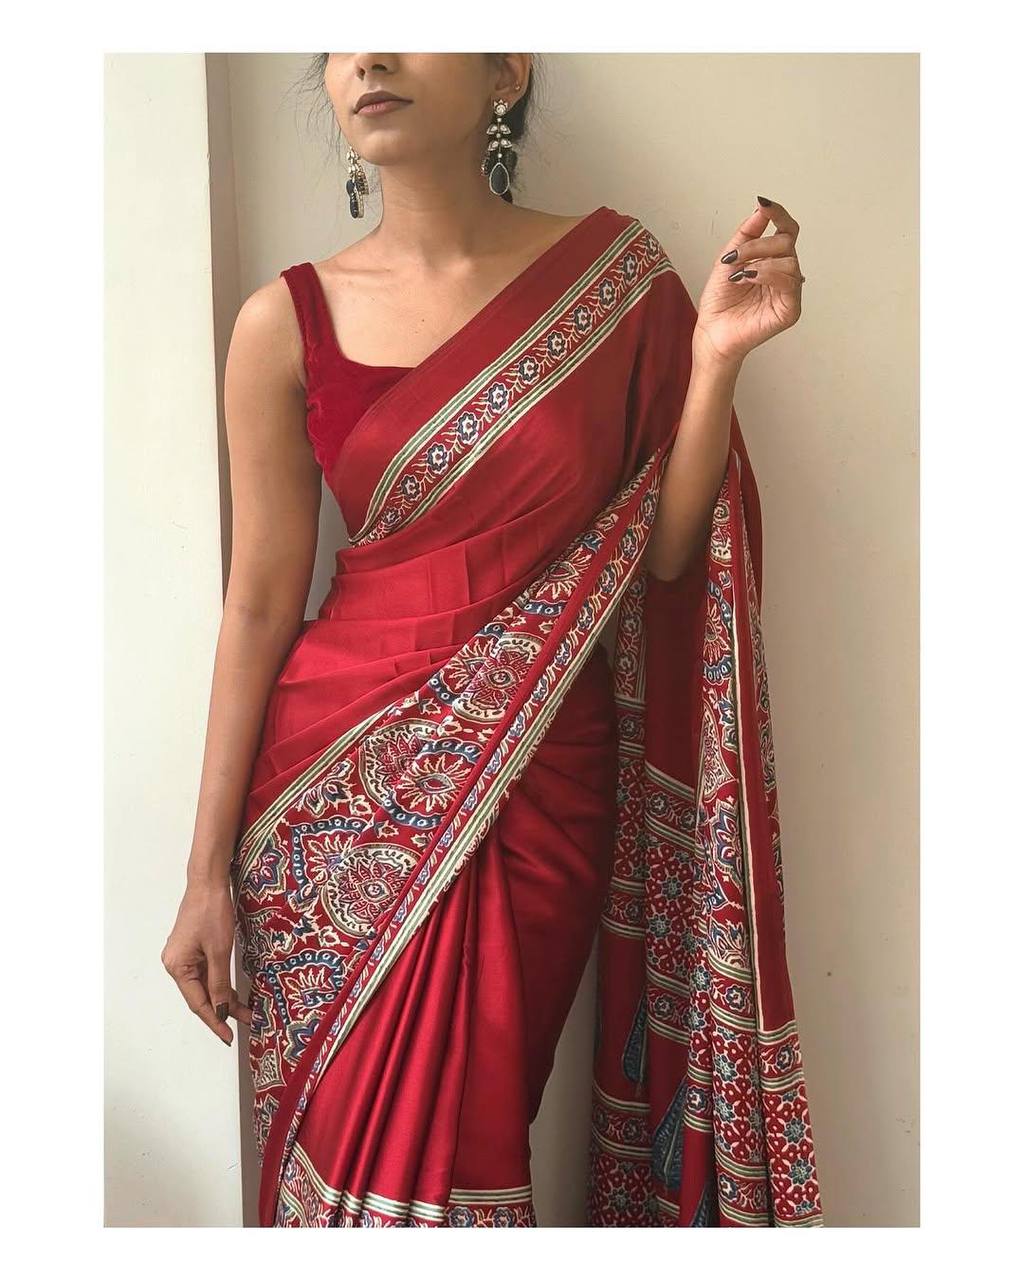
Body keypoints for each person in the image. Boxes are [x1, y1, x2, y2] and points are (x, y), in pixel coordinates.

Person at [161, 52, 822, 1228]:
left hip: (536, 783)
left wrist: (714, 360)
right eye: (343, 37)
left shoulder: (616, 285)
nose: (368, 57)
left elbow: (667, 556)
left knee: (473, 1137)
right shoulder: (282, 321)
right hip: (327, 802)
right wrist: (203, 872)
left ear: (504, 71)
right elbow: (258, 602)